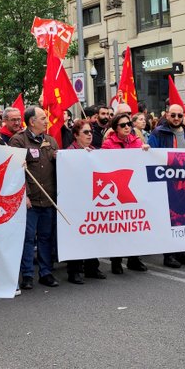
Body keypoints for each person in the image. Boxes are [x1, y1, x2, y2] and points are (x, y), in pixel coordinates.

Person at [9, 107, 60, 290]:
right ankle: (28, 274)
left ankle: (46, 272)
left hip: (48, 199)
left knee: (46, 237)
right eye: (43, 118)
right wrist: (25, 195)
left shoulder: (51, 140)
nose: (46, 121)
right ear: (32, 122)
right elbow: (16, 171)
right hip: (30, 200)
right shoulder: (18, 140)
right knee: (28, 238)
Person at [147, 103, 185, 269]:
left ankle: (181, 252)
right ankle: (168, 255)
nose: (176, 118)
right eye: (173, 115)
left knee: (184, 216)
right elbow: (151, 155)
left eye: (179, 116)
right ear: (167, 115)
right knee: (170, 218)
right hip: (168, 182)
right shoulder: (158, 132)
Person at [102, 113, 150, 274]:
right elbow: (102, 163)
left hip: (134, 188)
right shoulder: (108, 144)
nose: (127, 127)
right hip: (116, 188)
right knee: (118, 226)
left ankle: (134, 259)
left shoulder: (137, 141)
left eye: (129, 123)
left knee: (133, 225)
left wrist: (146, 151)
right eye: (123, 125)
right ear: (115, 128)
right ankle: (116, 260)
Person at [62, 119, 107, 284]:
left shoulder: (94, 151)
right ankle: (73, 271)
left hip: (92, 199)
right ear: (76, 135)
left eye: (91, 132)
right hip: (74, 201)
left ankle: (92, 267)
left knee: (92, 233)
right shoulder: (69, 153)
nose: (90, 135)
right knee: (75, 236)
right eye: (85, 132)